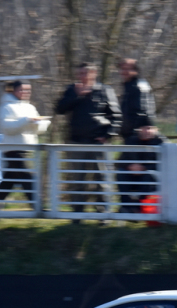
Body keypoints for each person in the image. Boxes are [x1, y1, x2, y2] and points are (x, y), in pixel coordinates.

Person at [55, 62, 122, 216]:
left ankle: (103, 213)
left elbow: (116, 116)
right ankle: (77, 214)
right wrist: (77, 96)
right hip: (76, 141)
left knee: (102, 178)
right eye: (80, 73)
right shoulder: (72, 89)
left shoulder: (104, 90)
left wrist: (108, 135)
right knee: (77, 179)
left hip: (98, 142)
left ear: (94, 74)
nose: (82, 76)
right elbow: (59, 109)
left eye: (85, 73)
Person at [0, 80, 50, 207]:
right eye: (22, 90)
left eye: (28, 90)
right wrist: (26, 120)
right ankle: (38, 206)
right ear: (14, 91)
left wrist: (41, 123)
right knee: (27, 177)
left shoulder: (30, 107)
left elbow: (39, 130)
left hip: (28, 149)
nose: (26, 92)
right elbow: (6, 127)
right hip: (13, 149)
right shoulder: (6, 107)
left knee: (10, 179)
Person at [117, 117, 164, 213]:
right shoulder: (130, 141)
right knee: (121, 174)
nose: (147, 131)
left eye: (149, 128)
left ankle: (140, 207)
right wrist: (130, 166)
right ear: (139, 129)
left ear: (155, 129)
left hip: (153, 176)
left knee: (148, 177)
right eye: (144, 128)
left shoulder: (161, 143)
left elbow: (164, 163)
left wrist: (144, 168)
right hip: (132, 174)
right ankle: (126, 206)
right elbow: (120, 160)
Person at [118, 58, 156, 143]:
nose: (124, 72)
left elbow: (145, 108)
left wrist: (146, 126)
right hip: (129, 133)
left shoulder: (139, 86)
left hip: (138, 134)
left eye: (127, 69)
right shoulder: (128, 87)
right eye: (122, 69)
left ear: (136, 71)